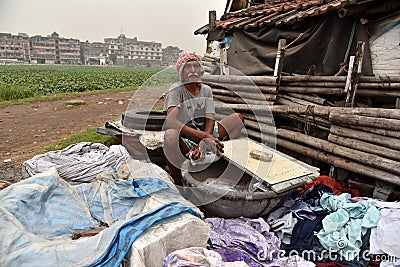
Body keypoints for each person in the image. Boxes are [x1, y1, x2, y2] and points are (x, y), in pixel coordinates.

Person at [163, 51, 244, 186]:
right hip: (186, 137)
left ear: (201, 70)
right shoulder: (176, 90)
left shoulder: (206, 90)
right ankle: (179, 183)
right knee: (170, 135)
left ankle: (220, 159)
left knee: (238, 118)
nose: (192, 70)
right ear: (181, 72)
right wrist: (203, 136)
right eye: (188, 67)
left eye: (196, 66)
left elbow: (210, 118)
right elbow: (171, 121)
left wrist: (206, 139)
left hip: (205, 132)